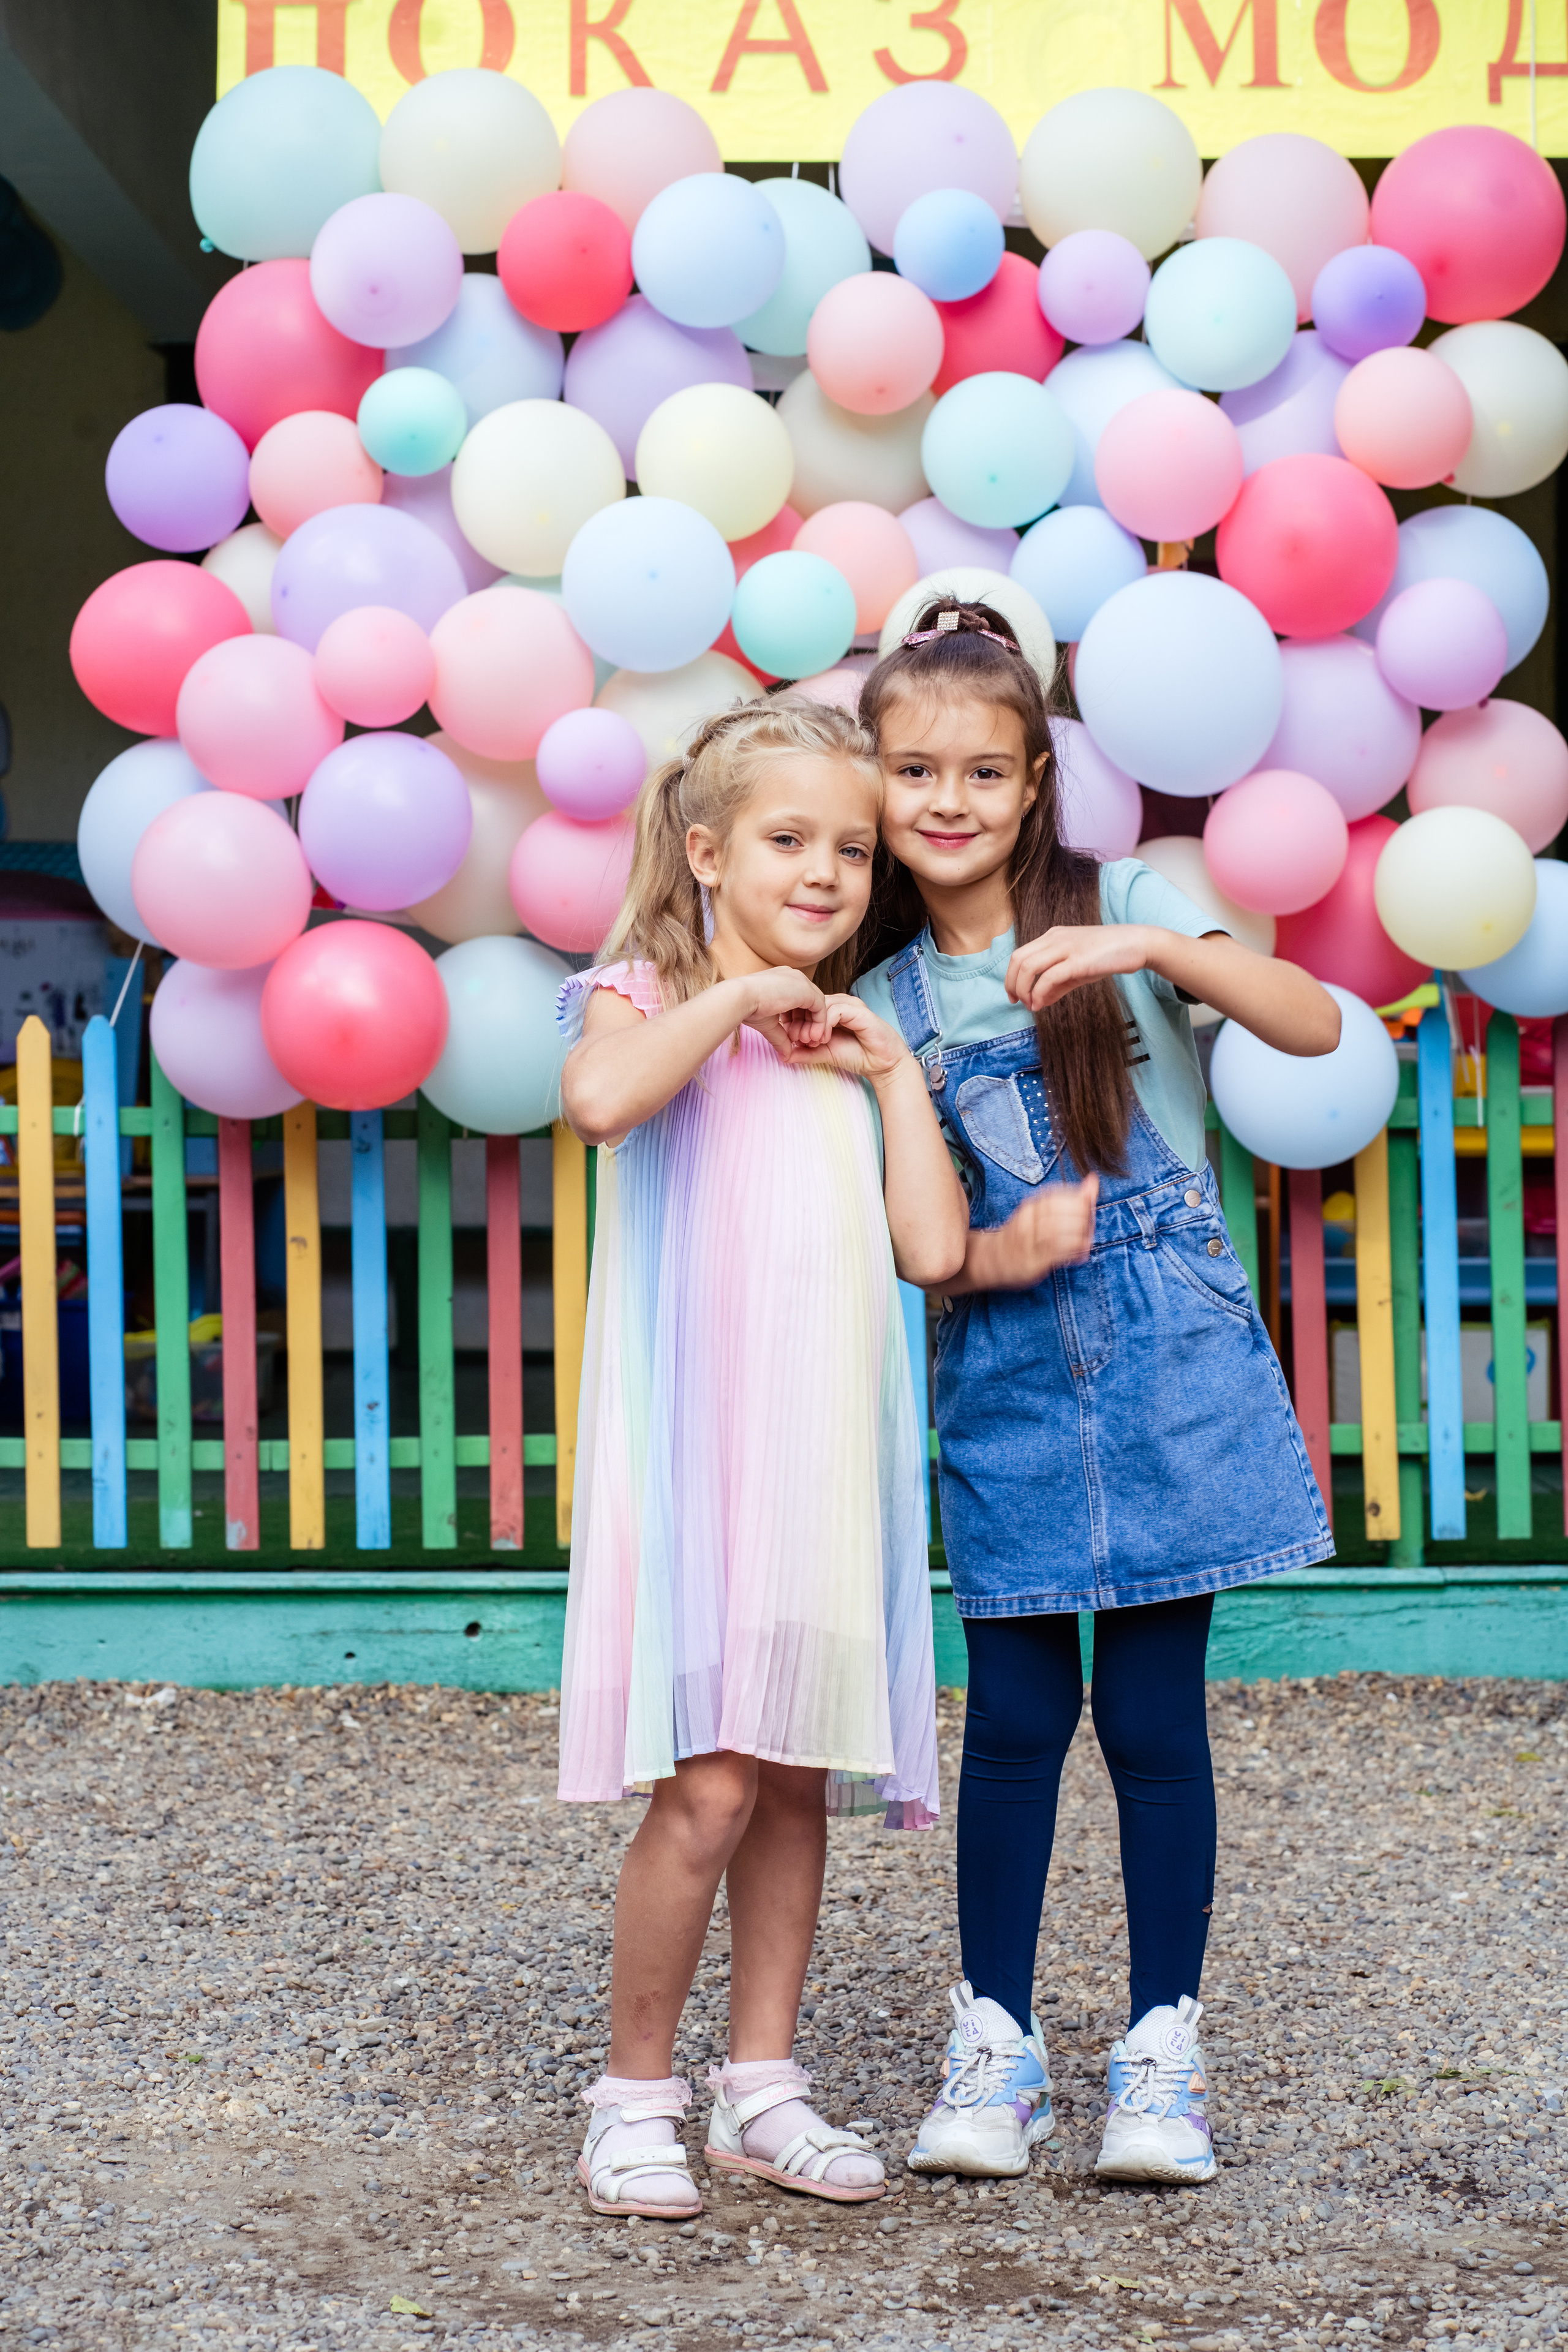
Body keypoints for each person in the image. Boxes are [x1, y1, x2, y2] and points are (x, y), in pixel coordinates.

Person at [851, 598, 1339, 2187]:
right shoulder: (890, 999)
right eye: (914, 769)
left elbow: (1315, 1024)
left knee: (1147, 1716)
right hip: (1004, 1374)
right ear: (873, 781)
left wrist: (1152, 947)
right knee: (1013, 1719)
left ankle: (1161, 2054)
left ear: (1034, 782)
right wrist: (1006, 1249)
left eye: (981, 772)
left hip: (1172, 1363)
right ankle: (996, 2045)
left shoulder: (1125, 909)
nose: (946, 801)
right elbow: (916, 1243)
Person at [556, 695, 968, 2220]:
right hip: (700, 1462)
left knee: (792, 1773)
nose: (825, 871)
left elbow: (928, 1248)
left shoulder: (857, 1043)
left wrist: (887, 1073)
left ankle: (762, 2089)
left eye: (851, 850)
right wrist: (738, 1002)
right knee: (714, 1783)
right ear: (705, 848)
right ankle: (632, 2094)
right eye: (788, 841)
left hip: (819, 1464)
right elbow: (600, 1101)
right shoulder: (646, 996)